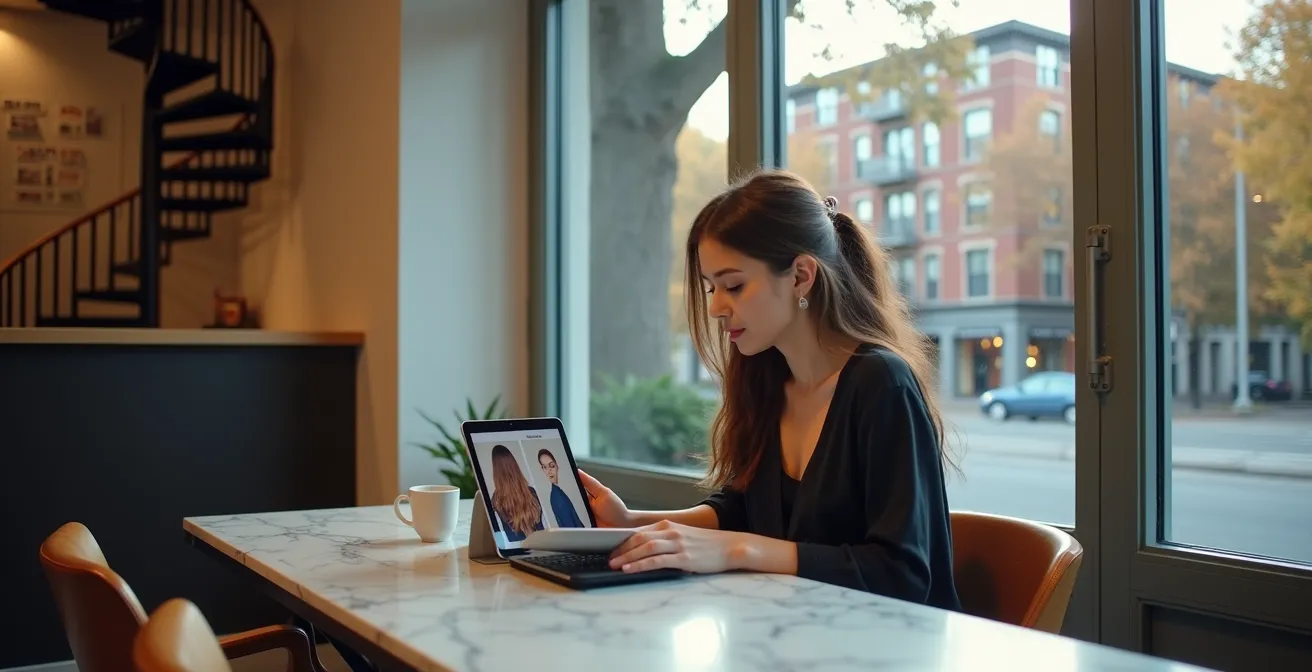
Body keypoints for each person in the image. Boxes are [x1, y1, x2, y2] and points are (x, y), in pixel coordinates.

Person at [578, 169, 963, 610]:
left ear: (801, 276)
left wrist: (740, 550)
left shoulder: (882, 384)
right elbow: (741, 509)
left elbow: (901, 574)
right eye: (710, 288)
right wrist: (633, 522)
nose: (716, 308)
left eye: (734, 286)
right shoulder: (767, 378)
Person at [489, 444, 544, 541]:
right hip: (542, 545)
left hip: (517, 551)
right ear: (514, 465)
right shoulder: (531, 493)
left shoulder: (497, 500)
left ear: (496, 470)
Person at [537, 448, 585, 527]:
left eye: (551, 466)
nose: (549, 471)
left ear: (557, 466)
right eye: (544, 467)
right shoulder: (556, 496)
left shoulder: (558, 492)